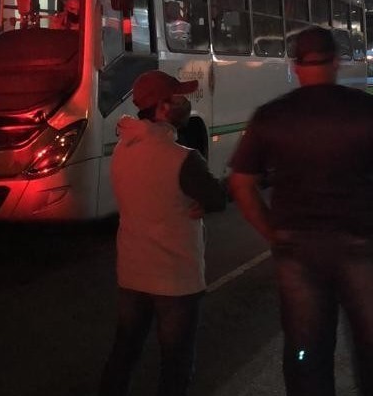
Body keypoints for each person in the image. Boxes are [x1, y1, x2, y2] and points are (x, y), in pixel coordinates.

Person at [229, 26, 373, 396]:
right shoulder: (365, 110)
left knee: (306, 349)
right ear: (337, 62)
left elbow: (241, 182)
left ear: (296, 67)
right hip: (361, 241)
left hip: (297, 248)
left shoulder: (271, 116)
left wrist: (272, 232)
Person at [99, 70, 226, 396]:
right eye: (179, 98)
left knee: (124, 352)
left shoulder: (122, 150)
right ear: (162, 108)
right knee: (176, 361)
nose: (187, 102)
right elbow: (216, 198)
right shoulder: (182, 159)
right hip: (174, 278)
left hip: (132, 272)